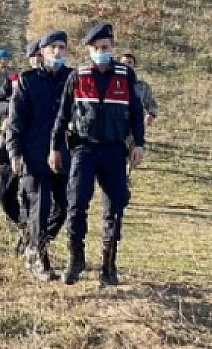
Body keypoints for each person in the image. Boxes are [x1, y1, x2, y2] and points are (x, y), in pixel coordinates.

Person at [51, 22, 145, 286]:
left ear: (111, 47)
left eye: (106, 47)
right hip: (84, 148)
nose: (102, 51)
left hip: (114, 150)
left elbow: (137, 113)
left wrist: (138, 143)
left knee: (115, 207)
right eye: (96, 48)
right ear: (89, 49)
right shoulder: (77, 76)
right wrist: (55, 147)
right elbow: (62, 115)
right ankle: (75, 259)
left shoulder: (125, 75)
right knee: (76, 203)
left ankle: (108, 265)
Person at [6, 31, 73, 281]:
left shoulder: (73, 78)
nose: (57, 52)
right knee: (40, 206)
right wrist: (15, 152)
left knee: (64, 208)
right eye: (52, 47)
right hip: (34, 155)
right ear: (42, 52)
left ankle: (34, 241)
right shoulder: (28, 80)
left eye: (62, 47)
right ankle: (39, 259)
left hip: (65, 156)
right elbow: (15, 121)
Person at [0, 38, 45, 255]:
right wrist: (14, 106)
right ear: (30, 58)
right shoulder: (15, 79)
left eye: (43, 55)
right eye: (36, 56)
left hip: (37, 146)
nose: (40, 60)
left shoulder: (57, 81)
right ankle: (22, 224)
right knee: (3, 189)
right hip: (10, 143)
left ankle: (33, 239)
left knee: (32, 195)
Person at [118, 53, 158, 128]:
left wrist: (151, 115)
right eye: (123, 63)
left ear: (134, 65)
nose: (126, 65)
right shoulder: (113, 84)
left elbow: (150, 102)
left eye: (129, 62)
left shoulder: (142, 86)